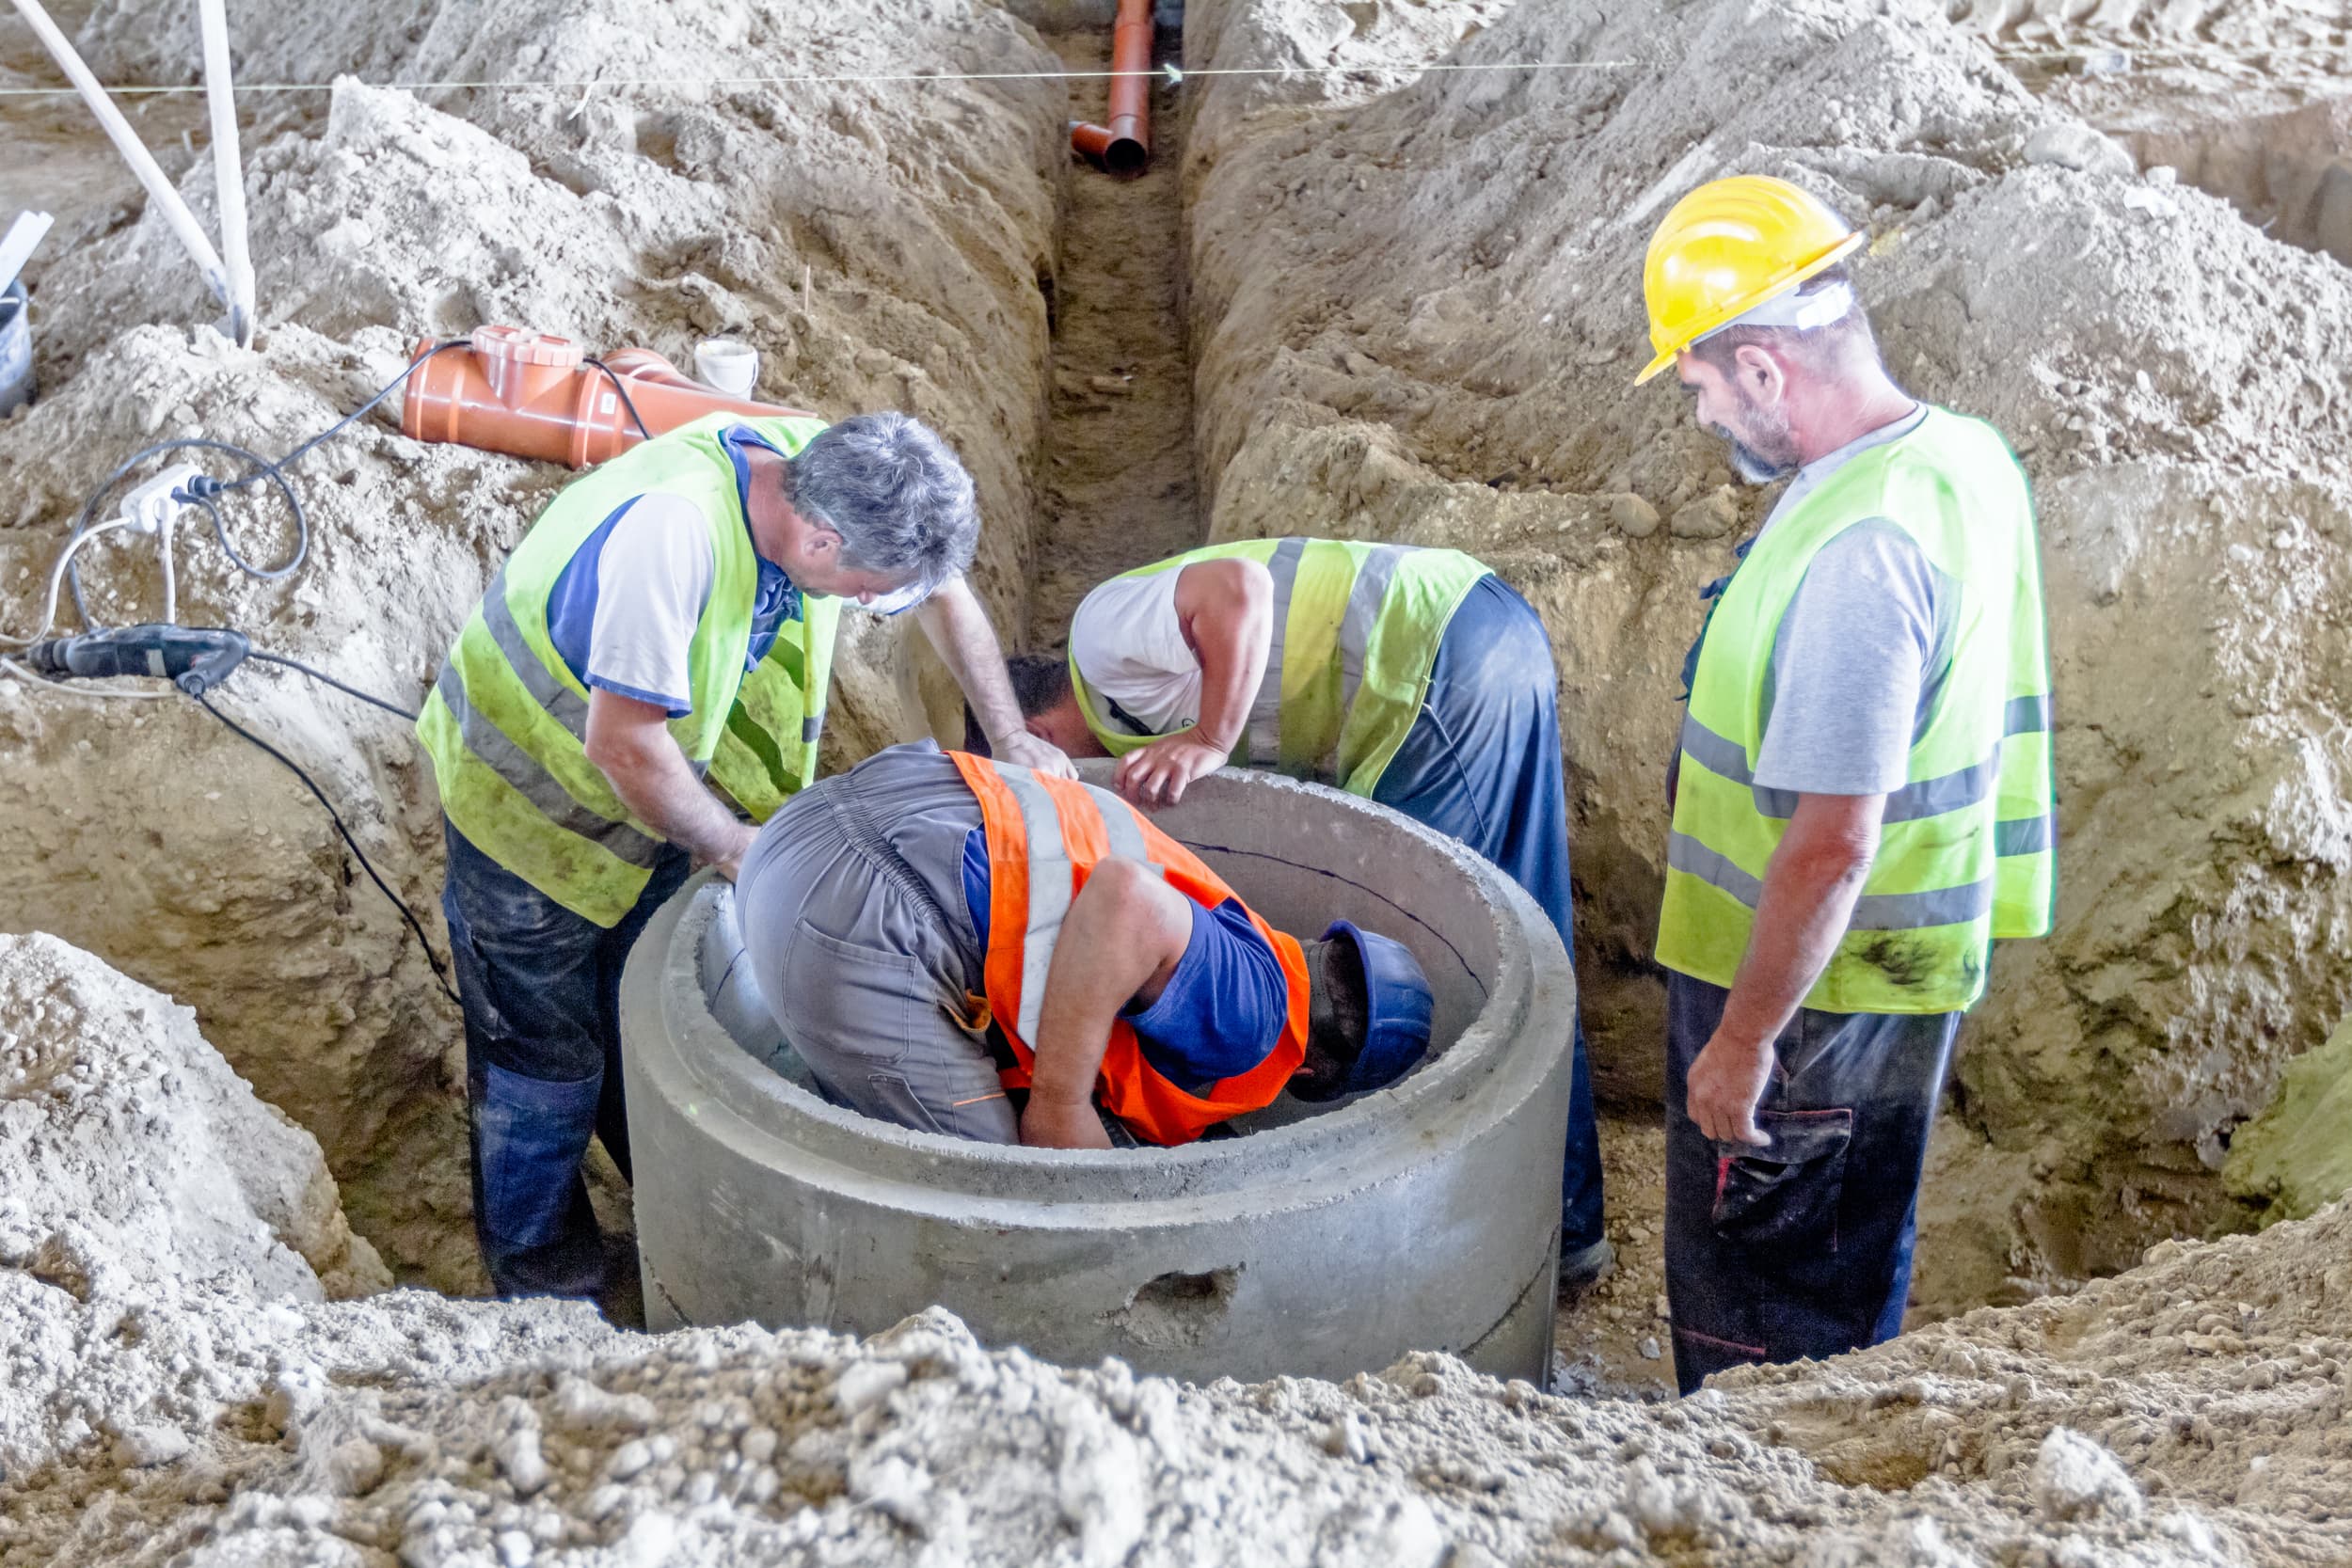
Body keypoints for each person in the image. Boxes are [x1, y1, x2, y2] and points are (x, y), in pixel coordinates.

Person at [416, 409, 1073, 1298]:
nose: (864, 609)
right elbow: (624, 746)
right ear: (819, 538)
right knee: (545, 1056)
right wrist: (729, 842)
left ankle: (660, 1187)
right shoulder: (675, 539)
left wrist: (1010, 735)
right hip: (529, 815)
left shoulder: (823, 466)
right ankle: (543, 1281)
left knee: (631, 1013)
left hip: (644, 817)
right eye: (861, 592)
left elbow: (941, 592)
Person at [1636, 175, 2056, 1393]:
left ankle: (1741, 1498)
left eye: (1704, 384)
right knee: (1846, 1258)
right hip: (1884, 980)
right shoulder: (1959, 457)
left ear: (1764, 368)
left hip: (1808, 1009)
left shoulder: (1862, 556)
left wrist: (1742, 1042)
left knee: (1763, 1311)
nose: (1703, 410)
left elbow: (1831, 840)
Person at [1001, 540, 1610, 1284]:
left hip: (1423, 666)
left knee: (1450, 971)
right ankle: (1572, 1226)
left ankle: (1425, 1249)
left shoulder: (1099, 641)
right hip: (1471, 620)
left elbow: (1239, 589)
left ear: (1036, 738)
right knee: (1527, 922)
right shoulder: (1141, 688)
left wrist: (1211, 739)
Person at [732, 742, 1436, 1148]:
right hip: (862, 912)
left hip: (811, 828)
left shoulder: (1239, 927)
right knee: (1009, 1204)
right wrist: (1061, 1103)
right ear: (1313, 1073)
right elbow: (1125, 901)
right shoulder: (1257, 1016)